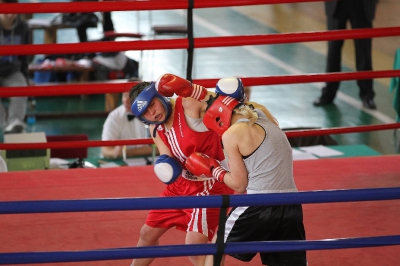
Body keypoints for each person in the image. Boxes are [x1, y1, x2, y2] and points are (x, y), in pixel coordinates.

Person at [185, 78, 307, 265]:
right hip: (291, 204)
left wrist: (213, 169)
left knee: (217, 246)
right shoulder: (262, 114)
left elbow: (239, 185)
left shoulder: (231, 135)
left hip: (258, 204)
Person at [128, 74, 235, 266]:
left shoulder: (188, 106)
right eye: (146, 112)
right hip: (179, 187)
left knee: (194, 249)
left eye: (153, 105)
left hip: (208, 185)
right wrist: (166, 166)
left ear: (160, 97)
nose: (152, 113)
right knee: (147, 234)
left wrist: (190, 89)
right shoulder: (155, 128)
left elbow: (222, 106)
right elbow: (168, 158)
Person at [313, 0, 378, 109]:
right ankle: (329, 93)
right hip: (337, 3)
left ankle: (367, 95)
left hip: (362, 4)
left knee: (364, 49)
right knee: (333, 48)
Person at [0, 0, 31, 134]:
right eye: (6, 11)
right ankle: (5, 124)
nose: (10, 15)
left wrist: (26, 79)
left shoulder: (24, 28)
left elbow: (25, 58)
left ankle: (14, 126)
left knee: (21, 89)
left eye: (13, 10)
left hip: (13, 71)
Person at [101, 92, 154, 159]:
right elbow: (105, 150)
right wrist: (114, 152)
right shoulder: (114, 116)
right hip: (125, 164)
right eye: (125, 95)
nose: (126, 100)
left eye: (131, 96)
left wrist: (126, 152)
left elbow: (161, 148)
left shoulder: (153, 113)